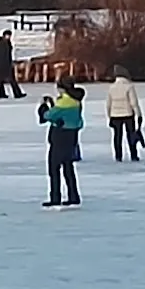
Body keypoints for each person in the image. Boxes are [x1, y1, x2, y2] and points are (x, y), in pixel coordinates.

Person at [39, 77, 85, 207]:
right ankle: (73, 196)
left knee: (54, 169)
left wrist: (44, 105)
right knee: (68, 168)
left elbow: (48, 116)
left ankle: (55, 197)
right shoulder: (76, 101)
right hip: (72, 137)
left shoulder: (64, 102)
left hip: (59, 138)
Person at [105, 65, 144, 162]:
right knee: (130, 135)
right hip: (128, 114)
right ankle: (133, 154)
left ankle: (118, 155)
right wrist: (139, 114)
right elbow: (133, 102)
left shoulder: (111, 87)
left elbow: (108, 104)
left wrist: (109, 116)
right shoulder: (129, 87)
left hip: (115, 115)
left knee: (117, 136)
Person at [0, 31, 25, 99]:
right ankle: (17, 93)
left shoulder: (7, 43)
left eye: (9, 36)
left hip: (5, 64)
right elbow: (1, 54)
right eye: (7, 35)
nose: (8, 37)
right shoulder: (0, 43)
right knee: (6, 80)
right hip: (1, 64)